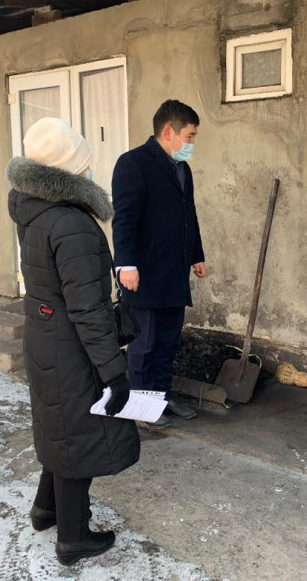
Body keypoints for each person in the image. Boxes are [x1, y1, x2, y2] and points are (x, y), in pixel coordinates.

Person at [7, 117, 140, 565]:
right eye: (83, 163)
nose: (89, 169)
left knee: (59, 426)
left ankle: (46, 509)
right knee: (78, 435)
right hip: (70, 345)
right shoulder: (71, 223)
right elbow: (87, 309)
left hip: (45, 335)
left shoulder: (34, 211)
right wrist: (114, 372)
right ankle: (74, 536)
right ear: (68, 169)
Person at [111, 100, 207, 429]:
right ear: (169, 132)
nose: (192, 143)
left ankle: (162, 396)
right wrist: (126, 265)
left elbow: (189, 215)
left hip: (174, 272)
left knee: (167, 341)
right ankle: (141, 406)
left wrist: (196, 254)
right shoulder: (133, 164)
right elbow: (124, 220)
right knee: (144, 345)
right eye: (189, 136)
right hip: (144, 273)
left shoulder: (182, 168)